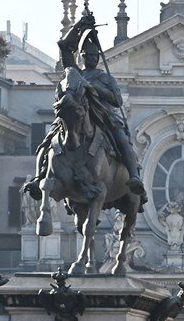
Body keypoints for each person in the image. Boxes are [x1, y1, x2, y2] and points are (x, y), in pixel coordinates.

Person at [25, 13, 145, 200]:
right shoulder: (73, 73)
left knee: (121, 138)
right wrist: (79, 26)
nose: (92, 58)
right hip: (76, 115)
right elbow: (64, 45)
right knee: (47, 141)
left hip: (103, 116)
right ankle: (38, 177)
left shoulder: (105, 78)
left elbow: (117, 100)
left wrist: (94, 88)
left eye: (95, 55)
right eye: (88, 55)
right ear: (81, 56)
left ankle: (134, 176)